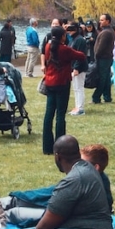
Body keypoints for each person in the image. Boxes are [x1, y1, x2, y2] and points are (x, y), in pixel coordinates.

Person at [42, 25, 84, 154]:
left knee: (49, 114)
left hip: (49, 82)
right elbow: (81, 55)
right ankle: (60, 146)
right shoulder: (64, 49)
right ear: (63, 36)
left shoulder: (48, 47)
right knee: (60, 114)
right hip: (62, 83)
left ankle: (47, 147)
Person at [91, 14, 115, 105]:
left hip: (103, 59)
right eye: (100, 20)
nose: (100, 22)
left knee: (102, 78)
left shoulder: (106, 32)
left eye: (102, 20)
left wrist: (96, 56)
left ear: (108, 21)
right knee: (106, 78)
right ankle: (107, 96)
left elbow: (100, 48)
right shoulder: (109, 31)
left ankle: (96, 97)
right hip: (107, 58)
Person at [67, 20, 88, 117]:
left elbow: (80, 55)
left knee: (79, 87)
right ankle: (77, 106)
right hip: (73, 66)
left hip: (79, 67)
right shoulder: (72, 39)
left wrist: (76, 68)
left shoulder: (80, 40)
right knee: (75, 88)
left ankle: (80, 108)